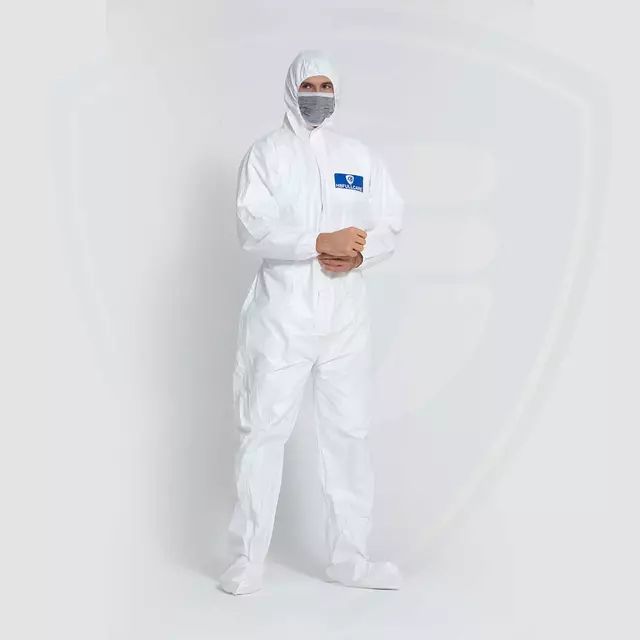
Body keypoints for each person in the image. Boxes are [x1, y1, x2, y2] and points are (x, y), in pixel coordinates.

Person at [218, 49, 404, 595]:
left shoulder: (358, 157)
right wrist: (318, 242)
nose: (317, 95)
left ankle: (351, 560)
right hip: (283, 318)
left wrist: (361, 253)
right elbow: (252, 228)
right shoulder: (267, 155)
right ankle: (247, 559)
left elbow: (391, 221)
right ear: (291, 89)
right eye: (309, 85)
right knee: (263, 433)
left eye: (326, 86)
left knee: (348, 435)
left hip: (345, 319)